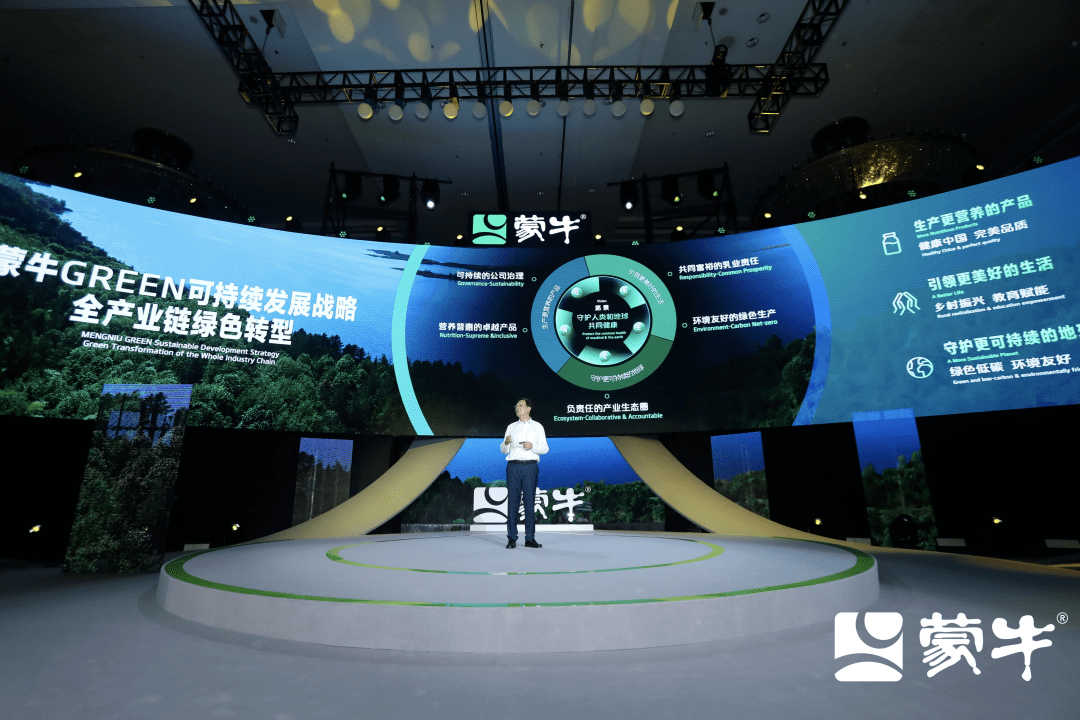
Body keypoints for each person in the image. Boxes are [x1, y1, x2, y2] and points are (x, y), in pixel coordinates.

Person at [500, 397, 548, 549]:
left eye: (521, 405)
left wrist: (532, 446)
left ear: (528, 409)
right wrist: (506, 443)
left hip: (530, 467)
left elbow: (545, 448)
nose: (517, 407)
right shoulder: (511, 427)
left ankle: (529, 539)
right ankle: (512, 538)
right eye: (517, 405)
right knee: (512, 503)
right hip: (513, 466)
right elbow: (504, 450)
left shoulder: (537, 427)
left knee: (529, 503)